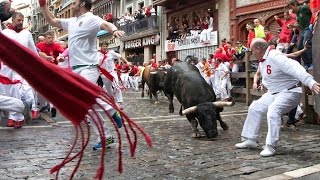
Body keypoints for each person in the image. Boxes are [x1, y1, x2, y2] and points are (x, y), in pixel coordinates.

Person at [39, 0, 125, 150]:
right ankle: (106, 136)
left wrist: (114, 30)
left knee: (85, 98)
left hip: (89, 67)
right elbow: (52, 21)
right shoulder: (72, 21)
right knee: (87, 106)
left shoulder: (90, 18)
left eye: (74, 3)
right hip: (76, 69)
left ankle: (112, 111)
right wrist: (43, 5)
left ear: (82, 5)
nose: (71, 5)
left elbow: (105, 24)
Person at [235, 38, 320, 157]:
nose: (251, 52)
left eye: (252, 50)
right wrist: (264, 83)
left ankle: (270, 146)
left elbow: (294, 67)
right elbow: (270, 74)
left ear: (258, 49)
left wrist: (310, 81)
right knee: (255, 107)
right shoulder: (263, 59)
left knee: (273, 111)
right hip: (274, 93)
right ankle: (250, 139)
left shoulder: (275, 56)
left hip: (290, 91)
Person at [1, 12, 39, 124]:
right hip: (7, 66)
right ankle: (13, 116)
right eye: (18, 20)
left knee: (17, 89)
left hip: (21, 66)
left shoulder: (27, 34)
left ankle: (16, 117)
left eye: (22, 20)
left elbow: (33, 50)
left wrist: (38, 65)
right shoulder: (5, 33)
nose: (21, 22)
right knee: (6, 92)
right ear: (12, 20)